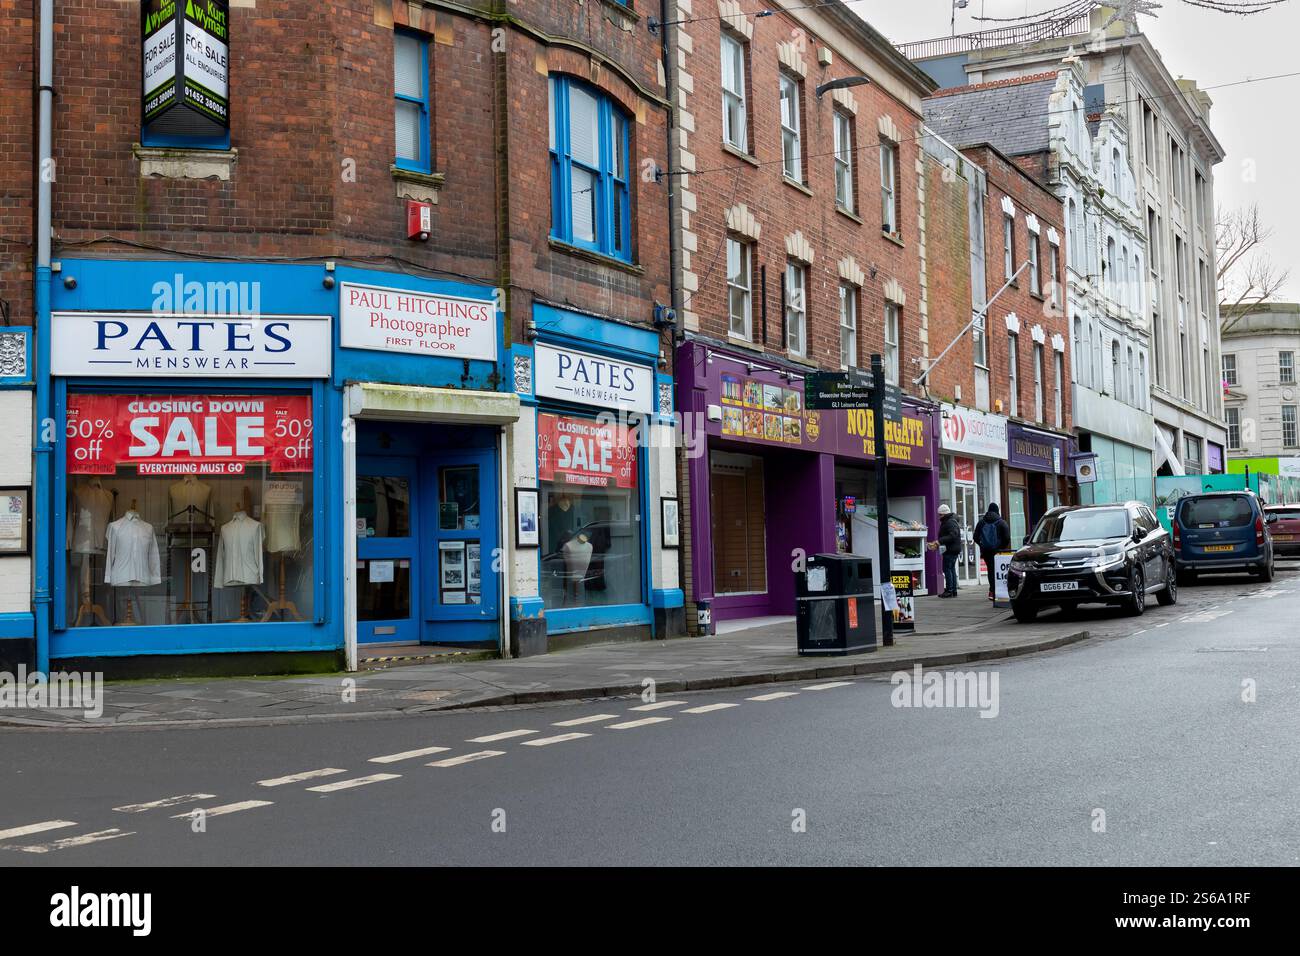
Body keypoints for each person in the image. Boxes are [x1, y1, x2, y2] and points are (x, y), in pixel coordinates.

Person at [972, 502, 1012, 600]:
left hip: (986, 552)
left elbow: (975, 537)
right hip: (998, 552)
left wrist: (982, 545)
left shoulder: (981, 522)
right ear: (997, 510)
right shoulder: (1001, 522)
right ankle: (1000, 591)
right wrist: (1001, 547)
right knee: (999, 572)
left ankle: (992, 591)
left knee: (990, 570)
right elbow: (1007, 537)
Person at [927, 504, 962, 597]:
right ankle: (953, 590)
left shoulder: (950, 522)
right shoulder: (949, 521)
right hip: (952, 548)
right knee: (951, 569)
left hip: (951, 549)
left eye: (940, 515)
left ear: (944, 514)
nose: (939, 517)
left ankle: (949, 590)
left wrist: (939, 541)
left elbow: (953, 535)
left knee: (947, 569)